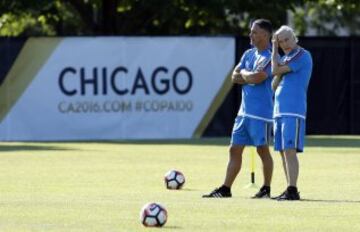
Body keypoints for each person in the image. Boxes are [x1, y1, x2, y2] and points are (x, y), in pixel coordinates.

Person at [203, 19, 274, 198]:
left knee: (262, 150)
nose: (251, 35)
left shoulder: (269, 57)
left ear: (265, 35)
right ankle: (226, 189)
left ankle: (266, 188)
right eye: (251, 32)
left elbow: (258, 77)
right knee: (234, 149)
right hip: (243, 113)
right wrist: (245, 75)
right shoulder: (248, 54)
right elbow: (234, 76)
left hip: (261, 114)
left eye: (255, 32)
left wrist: (245, 74)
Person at [271, 25, 313, 200]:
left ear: (295, 38)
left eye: (287, 39)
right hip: (279, 110)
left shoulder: (302, 55)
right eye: (280, 42)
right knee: (282, 150)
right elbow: (273, 85)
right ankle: (289, 188)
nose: (284, 44)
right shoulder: (285, 57)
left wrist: (273, 50)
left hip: (293, 110)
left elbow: (275, 71)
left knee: (289, 149)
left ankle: (293, 189)